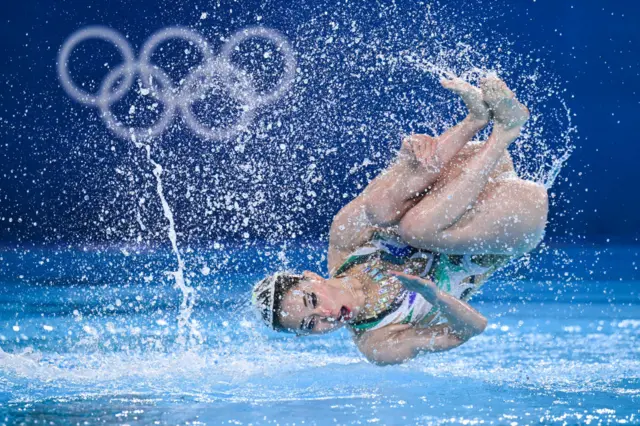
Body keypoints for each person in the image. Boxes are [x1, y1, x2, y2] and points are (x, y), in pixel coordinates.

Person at [251, 76, 549, 365]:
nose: (326, 316)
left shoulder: (343, 241)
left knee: (380, 208)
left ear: (312, 278)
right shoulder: (378, 343)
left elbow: (390, 191)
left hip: (483, 170)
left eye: (313, 302)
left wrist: (407, 159)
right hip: (513, 220)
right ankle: (504, 132)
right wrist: (436, 297)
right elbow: (468, 331)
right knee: (414, 229)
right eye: (310, 325)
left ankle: (475, 120)